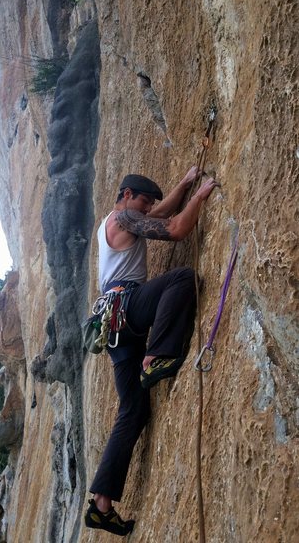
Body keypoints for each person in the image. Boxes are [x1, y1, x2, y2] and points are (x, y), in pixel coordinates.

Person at [84, 167, 219, 536]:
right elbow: (175, 229)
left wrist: (184, 182)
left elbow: (160, 215)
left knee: (133, 409)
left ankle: (101, 503)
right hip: (126, 308)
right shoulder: (126, 216)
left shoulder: (113, 222)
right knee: (181, 278)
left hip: (112, 330)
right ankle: (157, 354)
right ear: (126, 194)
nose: (148, 208)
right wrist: (200, 196)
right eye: (144, 200)